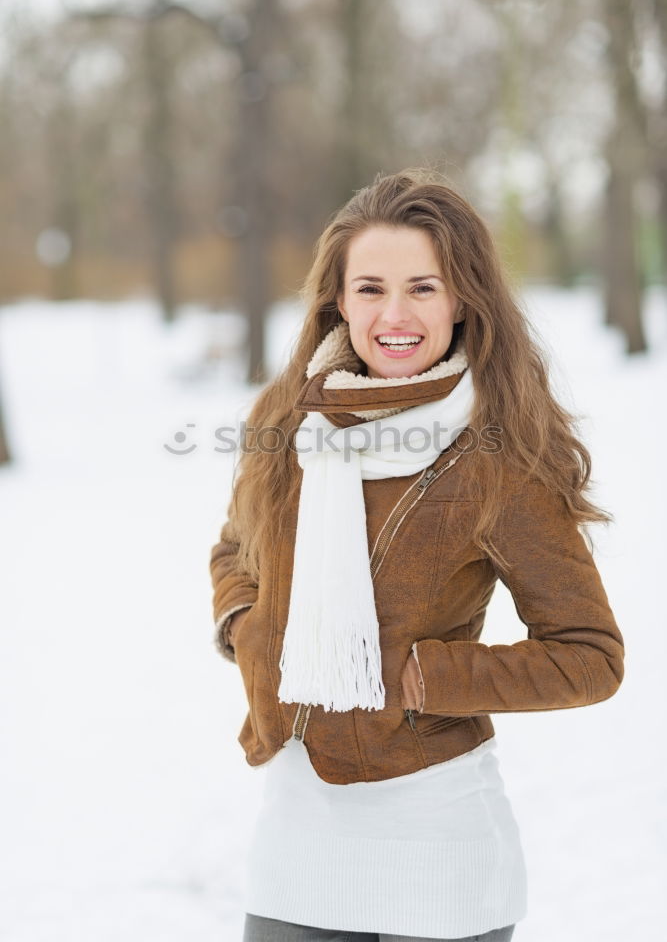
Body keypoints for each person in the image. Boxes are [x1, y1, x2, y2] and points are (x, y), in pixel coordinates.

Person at [209, 169, 625, 942]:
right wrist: (247, 622)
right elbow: (237, 542)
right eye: (369, 288)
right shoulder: (290, 423)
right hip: (295, 835)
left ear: (463, 298)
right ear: (337, 299)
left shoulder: (501, 459)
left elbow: (589, 656)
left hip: (436, 845)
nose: (393, 315)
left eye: (422, 289)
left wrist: (423, 676)